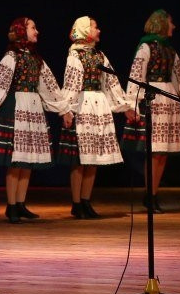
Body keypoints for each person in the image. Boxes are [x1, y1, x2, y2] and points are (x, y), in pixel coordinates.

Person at [0, 17, 73, 223]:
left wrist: (64, 109)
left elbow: (49, 87)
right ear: (21, 31)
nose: (37, 31)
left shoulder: (37, 59)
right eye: (33, 28)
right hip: (17, 106)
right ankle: (11, 205)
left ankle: (21, 204)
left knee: (27, 160)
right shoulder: (12, 57)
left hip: (33, 108)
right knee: (15, 161)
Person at [122, 10, 180, 213]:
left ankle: (153, 194)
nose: (173, 26)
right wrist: (132, 104)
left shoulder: (170, 50)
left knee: (162, 154)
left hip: (169, 100)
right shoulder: (145, 47)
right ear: (162, 23)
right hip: (154, 100)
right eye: (171, 22)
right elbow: (136, 75)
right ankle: (149, 195)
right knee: (154, 152)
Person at [55, 16, 129, 219]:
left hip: (99, 105)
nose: (99, 30)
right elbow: (71, 84)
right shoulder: (75, 54)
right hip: (83, 104)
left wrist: (125, 106)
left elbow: (111, 83)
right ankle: (76, 203)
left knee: (93, 158)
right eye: (95, 27)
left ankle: (86, 200)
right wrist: (67, 109)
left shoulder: (100, 55)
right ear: (86, 30)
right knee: (80, 159)